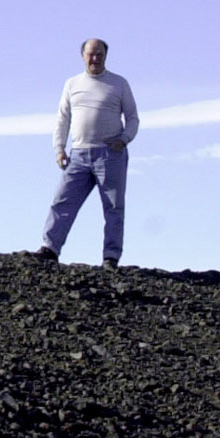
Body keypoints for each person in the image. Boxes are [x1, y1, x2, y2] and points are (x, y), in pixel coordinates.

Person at [30, 38, 138, 267]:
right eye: (90, 54)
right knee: (62, 201)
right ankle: (50, 248)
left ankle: (110, 257)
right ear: (83, 56)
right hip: (78, 153)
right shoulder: (72, 84)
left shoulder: (119, 84)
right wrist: (59, 149)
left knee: (113, 207)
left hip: (110, 154)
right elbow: (62, 119)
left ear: (106, 56)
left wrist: (124, 139)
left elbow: (132, 118)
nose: (95, 58)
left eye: (99, 54)